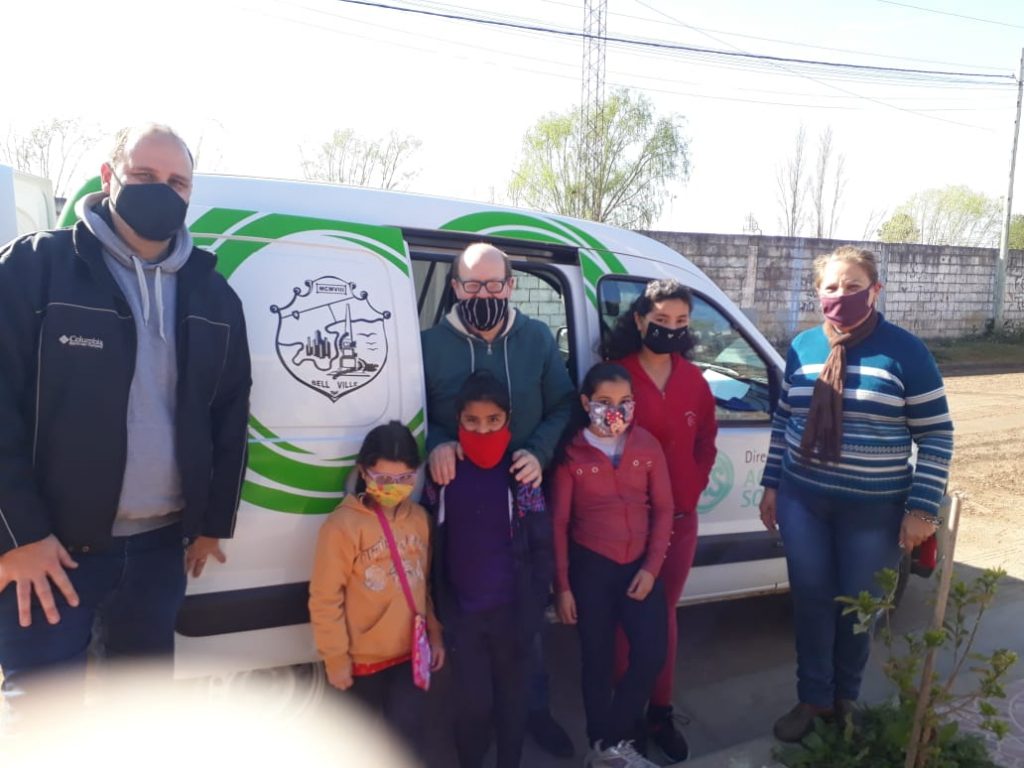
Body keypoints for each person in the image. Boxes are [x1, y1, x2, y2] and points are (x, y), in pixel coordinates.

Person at [0, 124, 251, 713]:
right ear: (110, 177)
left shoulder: (214, 295)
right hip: (52, 554)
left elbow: (230, 414)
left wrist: (212, 520)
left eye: (176, 182)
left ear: (191, 195)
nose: (162, 190)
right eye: (144, 176)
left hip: (159, 553)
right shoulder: (36, 268)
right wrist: (18, 537)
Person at [759, 245, 954, 742]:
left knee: (859, 607)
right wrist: (772, 485)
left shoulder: (905, 351)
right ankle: (812, 700)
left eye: (852, 286)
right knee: (810, 602)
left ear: (875, 290)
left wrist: (923, 508)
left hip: (874, 510)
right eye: (830, 287)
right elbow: (785, 421)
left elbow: (935, 435)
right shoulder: (803, 346)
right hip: (805, 502)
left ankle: (846, 700)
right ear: (818, 293)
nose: (840, 295)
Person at [420, 242, 576, 757]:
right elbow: (409, 407)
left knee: (526, 620)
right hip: (459, 501)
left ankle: (532, 712)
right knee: (464, 611)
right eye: (471, 285)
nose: (482, 294)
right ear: (454, 287)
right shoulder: (429, 344)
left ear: (511, 286)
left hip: (521, 495)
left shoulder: (535, 339)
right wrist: (437, 440)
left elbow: (563, 405)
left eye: (493, 284)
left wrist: (538, 451)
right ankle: (474, 722)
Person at [603, 278, 718, 761]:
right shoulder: (615, 379)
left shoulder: (694, 380)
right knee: (628, 621)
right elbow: (600, 444)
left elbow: (705, 442)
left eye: (681, 323)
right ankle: (624, 718)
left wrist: (688, 487)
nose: (670, 330)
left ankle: (660, 711)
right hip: (629, 524)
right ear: (639, 319)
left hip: (680, 522)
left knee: (664, 618)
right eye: (660, 321)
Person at [424, 371, 553, 768]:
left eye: (493, 420)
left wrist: (533, 611)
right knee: (472, 706)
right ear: (457, 420)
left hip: (513, 616)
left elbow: (541, 547)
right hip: (464, 617)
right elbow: (430, 544)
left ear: (508, 420)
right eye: (472, 421)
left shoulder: (521, 476)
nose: (482, 430)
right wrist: (439, 615)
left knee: (512, 704)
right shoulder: (443, 475)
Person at [552, 362, 673, 768]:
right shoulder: (572, 454)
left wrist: (652, 567)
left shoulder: (647, 446)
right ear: (586, 403)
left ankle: (611, 741)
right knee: (597, 660)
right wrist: (563, 586)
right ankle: (603, 745)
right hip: (593, 568)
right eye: (604, 402)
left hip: (639, 565)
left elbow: (664, 509)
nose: (614, 410)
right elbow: (559, 524)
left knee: (651, 653)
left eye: (624, 402)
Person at [309, 421, 445, 755]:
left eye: (403, 479)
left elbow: (424, 585)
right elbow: (326, 599)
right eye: (383, 479)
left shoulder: (419, 519)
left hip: (408, 657)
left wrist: (435, 635)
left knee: (405, 742)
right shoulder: (342, 526)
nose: (393, 487)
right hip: (361, 664)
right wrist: (336, 660)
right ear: (363, 472)